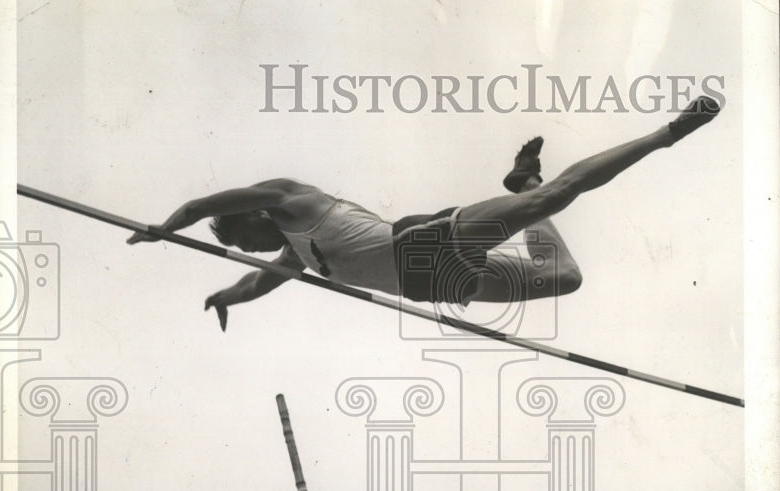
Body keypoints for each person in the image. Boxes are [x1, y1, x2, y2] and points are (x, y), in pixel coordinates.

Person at [127, 97, 720, 331]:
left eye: (250, 241)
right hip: (436, 284)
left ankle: (666, 134)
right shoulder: (295, 254)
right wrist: (227, 297)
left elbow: (204, 204)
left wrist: (164, 228)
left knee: (554, 197)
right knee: (565, 277)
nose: (258, 253)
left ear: (254, 218)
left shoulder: (288, 199)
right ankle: (522, 182)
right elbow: (261, 281)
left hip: (424, 245)